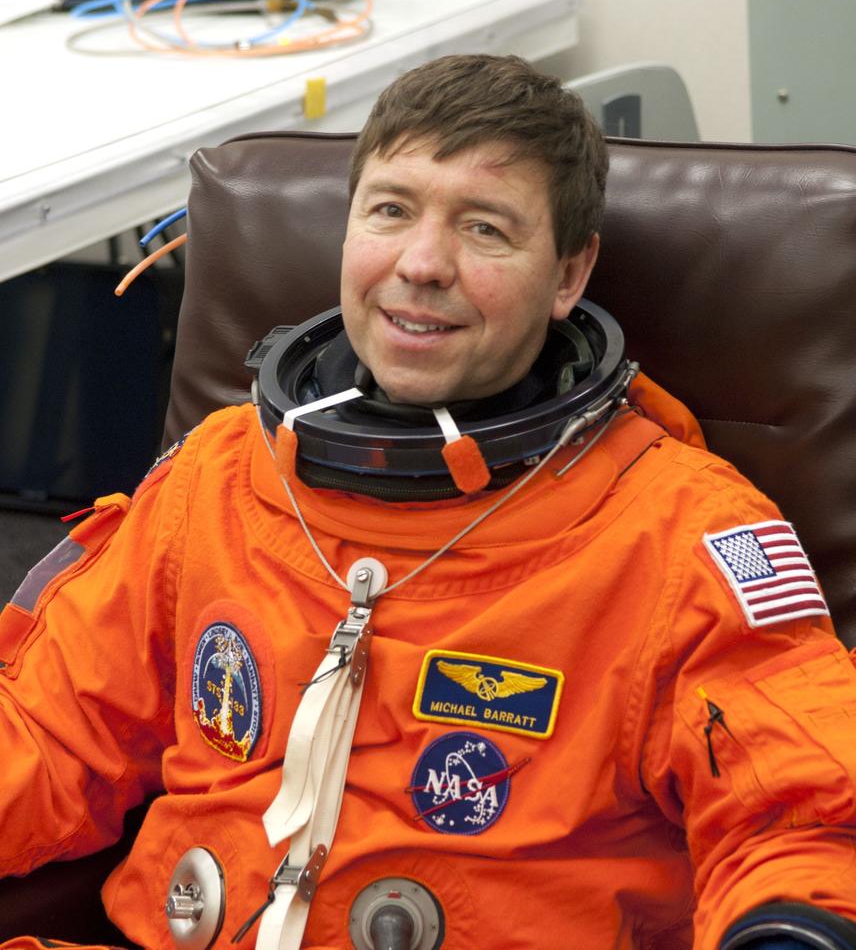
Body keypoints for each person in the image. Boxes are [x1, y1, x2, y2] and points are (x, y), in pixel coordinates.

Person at [2, 52, 856, 950]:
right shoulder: (217, 476)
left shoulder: (679, 530)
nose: (420, 263)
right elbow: (48, 731)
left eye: (484, 229)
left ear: (569, 275)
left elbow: (802, 812)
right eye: (390, 210)